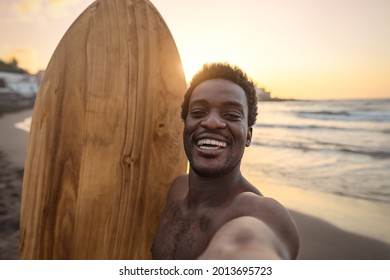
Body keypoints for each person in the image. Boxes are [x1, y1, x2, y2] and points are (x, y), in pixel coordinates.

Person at [152, 62, 299, 259]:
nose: (211, 122)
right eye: (198, 112)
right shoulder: (177, 188)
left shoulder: (260, 212)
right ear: (185, 125)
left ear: (248, 136)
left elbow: (248, 244)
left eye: (231, 115)